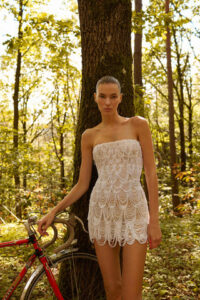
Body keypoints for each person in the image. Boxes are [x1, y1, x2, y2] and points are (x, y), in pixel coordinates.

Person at [38, 75, 162, 300]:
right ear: (94, 98)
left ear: (120, 98)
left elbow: (151, 174)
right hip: (102, 212)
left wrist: (154, 221)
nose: (107, 102)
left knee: (131, 294)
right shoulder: (89, 136)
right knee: (112, 289)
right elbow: (83, 183)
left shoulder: (138, 124)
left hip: (134, 211)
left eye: (113, 96)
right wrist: (53, 211)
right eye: (102, 96)